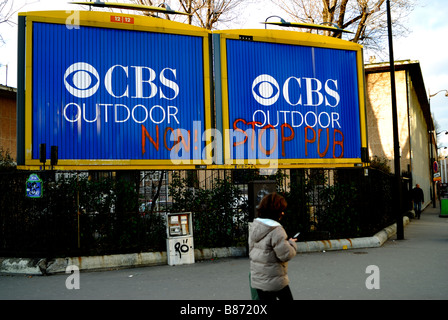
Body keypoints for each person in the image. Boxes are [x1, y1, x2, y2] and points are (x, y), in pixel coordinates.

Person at [248, 192, 297, 300]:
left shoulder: (255, 226)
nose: (283, 213)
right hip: (275, 280)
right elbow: (285, 255)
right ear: (276, 211)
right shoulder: (276, 230)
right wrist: (291, 243)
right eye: (282, 210)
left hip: (258, 278)